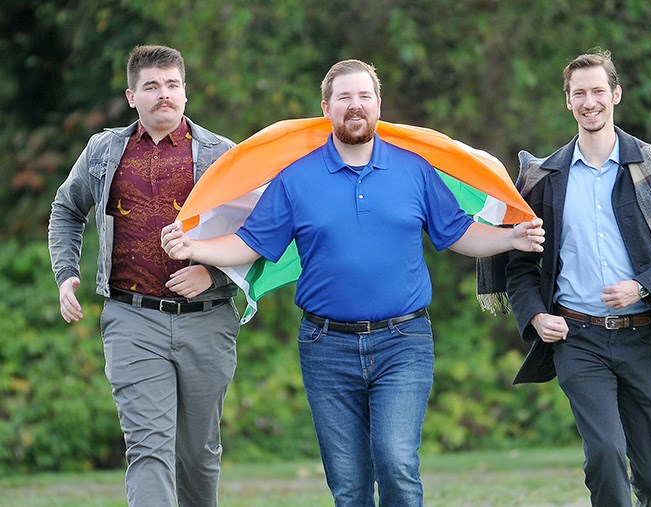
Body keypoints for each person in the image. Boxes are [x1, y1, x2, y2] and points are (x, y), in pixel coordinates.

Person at [161, 59, 545, 506]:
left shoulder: (413, 169)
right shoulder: (296, 177)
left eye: (364, 96)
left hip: (405, 341)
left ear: (379, 105)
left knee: (397, 462)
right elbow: (250, 243)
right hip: (326, 346)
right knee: (348, 484)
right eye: (344, 97)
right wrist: (196, 249)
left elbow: (457, 233)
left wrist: (509, 237)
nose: (355, 105)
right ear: (326, 108)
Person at [503, 50, 651, 506]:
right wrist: (536, 317)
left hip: (645, 335)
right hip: (577, 338)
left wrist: (644, 287)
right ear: (567, 101)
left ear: (615, 94)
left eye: (598, 90)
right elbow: (520, 267)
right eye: (579, 93)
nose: (589, 101)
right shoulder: (544, 179)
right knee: (604, 454)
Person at [48, 45, 239, 507]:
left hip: (207, 320)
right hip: (131, 319)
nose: (164, 95)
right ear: (132, 96)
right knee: (148, 448)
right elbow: (66, 209)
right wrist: (66, 273)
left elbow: (262, 236)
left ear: (185, 92)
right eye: (151, 86)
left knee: (198, 455)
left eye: (173, 85)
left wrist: (213, 275)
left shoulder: (223, 155)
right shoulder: (104, 150)